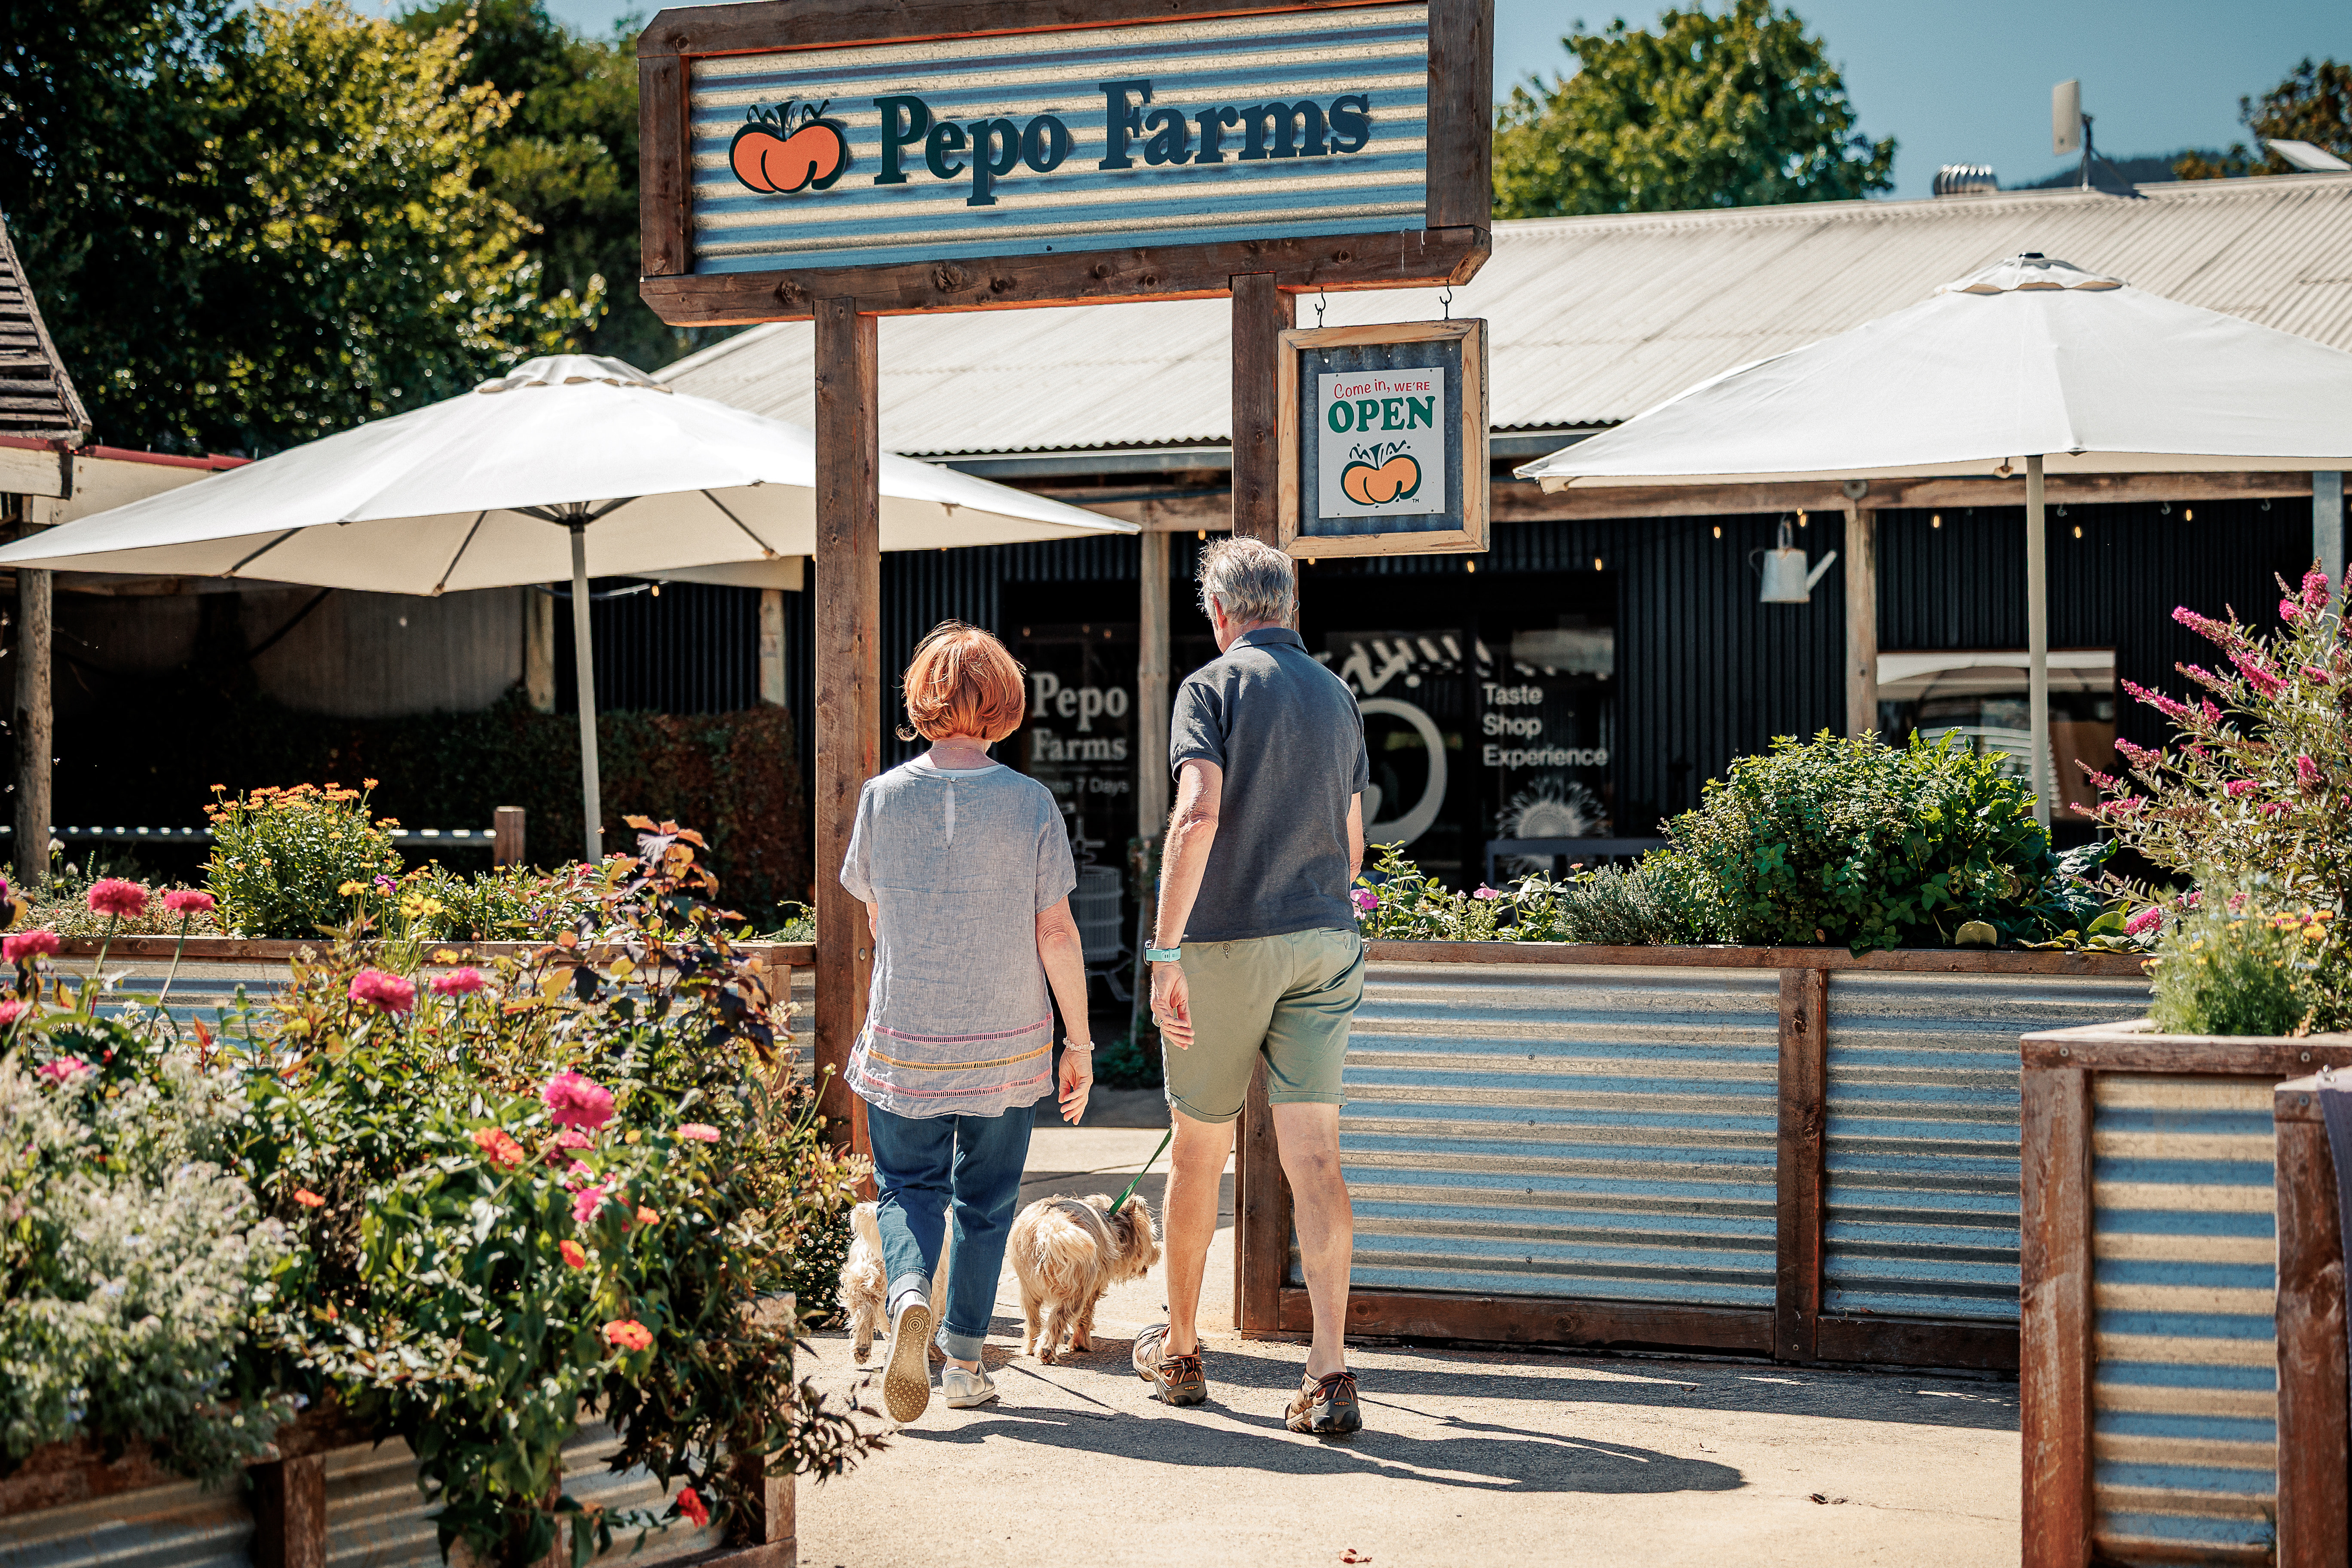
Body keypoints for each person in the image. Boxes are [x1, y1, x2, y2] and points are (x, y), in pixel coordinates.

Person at [1135, 537, 1369, 1437]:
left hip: (1226, 946)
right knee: (1316, 1159)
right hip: (1323, 939)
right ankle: (1330, 1373)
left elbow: (1196, 814)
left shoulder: (1212, 686)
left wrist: (1164, 955)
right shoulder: (1337, 694)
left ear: (1221, 612)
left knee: (1200, 1151)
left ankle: (1185, 1351)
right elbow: (1352, 849)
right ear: (1290, 609)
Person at [840, 621, 1094, 1424]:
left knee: (907, 1188)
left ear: (923, 701)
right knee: (985, 1201)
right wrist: (1079, 1043)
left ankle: (910, 1291)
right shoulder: (1030, 804)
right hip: (1008, 1039)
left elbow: (877, 914)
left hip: (906, 1032)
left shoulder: (883, 797)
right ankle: (961, 1361)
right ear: (1003, 704)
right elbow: (1054, 930)